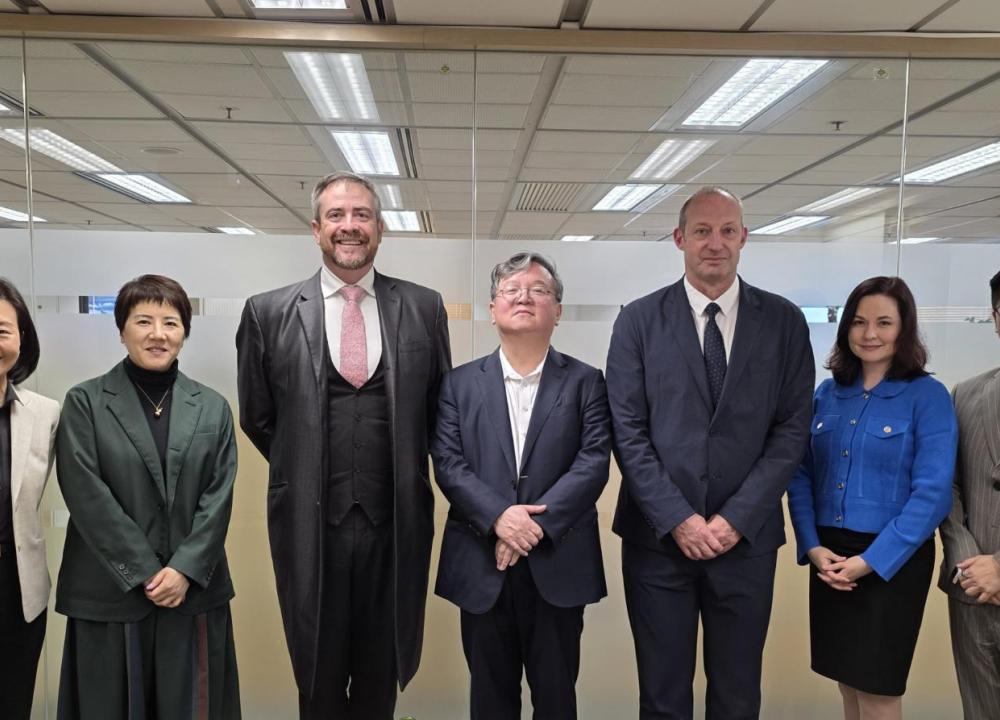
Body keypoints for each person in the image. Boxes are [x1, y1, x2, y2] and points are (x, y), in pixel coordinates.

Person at [236, 170, 451, 719]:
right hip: (311, 526)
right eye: (337, 215)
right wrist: (307, 468)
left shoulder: (423, 307)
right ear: (316, 229)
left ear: (380, 228)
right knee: (318, 677)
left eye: (361, 215)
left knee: (382, 680)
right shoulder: (269, 311)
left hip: (395, 522)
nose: (349, 226)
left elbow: (439, 411)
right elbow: (260, 418)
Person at [606, 186, 815, 719]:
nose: (714, 243)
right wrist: (679, 519)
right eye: (702, 231)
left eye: (727, 231)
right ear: (679, 239)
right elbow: (628, 431)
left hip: (744, 544)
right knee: (661, 696)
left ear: (744, 238)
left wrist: (733, 521)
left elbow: (791, 431)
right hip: (658, 542)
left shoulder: (785, 322)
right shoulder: (638, 320)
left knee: (738, 695)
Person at [432, 253, 611, 720]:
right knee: (489, 701)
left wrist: (528, 528)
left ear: (558, 310)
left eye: (538, 290)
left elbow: (592, 464)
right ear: (492, 309)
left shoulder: (587, 383)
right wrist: (500, 518)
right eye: (511, 290)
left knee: (556, 699)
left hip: (558, 562)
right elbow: (448, 464)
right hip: (480, 563)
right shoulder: (458, 384)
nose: (524, 297)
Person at [55, 274, 240, 720]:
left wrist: (184, 570)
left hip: (191, 591)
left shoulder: (212, 406)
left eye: (171, 323)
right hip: (108, 591)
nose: (158, 334)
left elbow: (219, 496)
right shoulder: (85, 402)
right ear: (121, 330)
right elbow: (86, 495)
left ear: (184, 333)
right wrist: (143, 572)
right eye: (143, 321)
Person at [787, 275, 957, 720]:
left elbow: (934, 493)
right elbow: (801, 474)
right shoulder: (827, 394)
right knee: (847, 682)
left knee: (878, 690)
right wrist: (811, 546)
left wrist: (872, 560)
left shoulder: (928, 396)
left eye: (884, 322)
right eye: (859, 322)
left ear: (904, 329)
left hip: (890, 562)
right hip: (829, 556)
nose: (870, 334)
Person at [938, 269, 1000, 720]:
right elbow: (949, 487)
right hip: (973, 591)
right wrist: (969, 562)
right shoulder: (966, 395)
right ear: (996, 318)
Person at [0, 278, 59, 720]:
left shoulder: (45, 413)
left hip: (18, 593)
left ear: (22, 338)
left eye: (2, 331)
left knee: (14, 701)